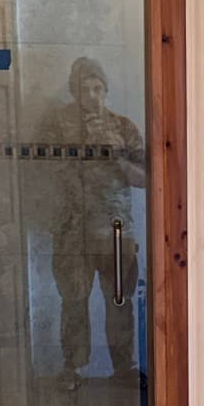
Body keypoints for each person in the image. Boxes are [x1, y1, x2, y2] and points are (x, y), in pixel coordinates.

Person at [37, 57, 146, 388]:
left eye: (98, 88)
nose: (93, 96)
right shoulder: (55, 126)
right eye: (85, 89)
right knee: (73, 300)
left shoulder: (124, 127)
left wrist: (118, 159)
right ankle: (73, 367)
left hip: (115, 231)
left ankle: (123, 367)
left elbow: (147, 179)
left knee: (119, 300)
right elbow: (40, 172)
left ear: (107, 90)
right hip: (71, 230)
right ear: (74, 92)